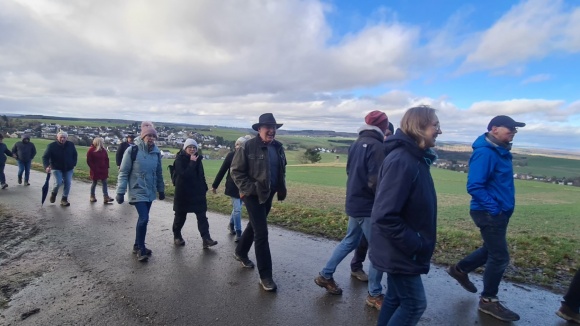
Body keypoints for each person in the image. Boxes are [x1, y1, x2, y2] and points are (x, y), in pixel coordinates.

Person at [446, 115, 525, 322]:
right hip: (488, 212)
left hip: (498, 211)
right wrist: (495, 209)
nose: (513, 132)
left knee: (491, 249)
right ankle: (488, 300)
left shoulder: (499, 151)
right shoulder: (486, 153)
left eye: (515, 129)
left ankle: (460, 269)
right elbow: (474, 185)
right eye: (510, 129)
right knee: (500, 256)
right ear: (494, 129)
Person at [369, 106, 440, 326]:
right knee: (414, 305)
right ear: (419, 127)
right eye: (435, 125)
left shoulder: (415, 158)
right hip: (401, 250)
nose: (439, 130)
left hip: (399, 248)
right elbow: (385, 215)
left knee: (395, 297)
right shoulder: (403, 161)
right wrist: (416, 243)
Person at [315, 110, 389, 310]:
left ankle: (326, 274)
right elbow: (377, 181)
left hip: (354, 202)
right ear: (383, 126)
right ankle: (375, 294)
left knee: (349, 241)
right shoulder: (378, 146)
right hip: (368, 206)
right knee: (378, 250)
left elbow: (350, 171)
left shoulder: (356, 144)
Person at [230, 113, 287, 292]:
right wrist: (250, 189)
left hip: (268, 194)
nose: (271, 131)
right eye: (268, 127)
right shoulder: (247, 147)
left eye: (274, 127)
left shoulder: (278, 147)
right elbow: (236, 171)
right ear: (259, 129)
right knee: (261, 233)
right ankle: (266, 276)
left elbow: (280, 170)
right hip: (253, 195)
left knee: (254, 226)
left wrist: (281, 187)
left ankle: (240, 252)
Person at [350, 121, 395, 282]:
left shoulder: (389, 150)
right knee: (373, 243)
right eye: (384, 133)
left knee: (355, 239)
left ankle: (328, 273)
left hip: (371, 201)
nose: (385, 137)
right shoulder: (375, 148)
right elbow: (373, 179)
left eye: (389, 134)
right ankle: (373, 287)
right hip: (370, 201)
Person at [116, 122, 165, 262]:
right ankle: (141, 249)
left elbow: (159, 173)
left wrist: (161, 190)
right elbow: (124, 172)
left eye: (153, 136)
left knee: (143, 219)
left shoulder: (156, 152)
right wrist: (120, 192)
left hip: (149, 191)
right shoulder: (132, 151)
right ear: (143, 136)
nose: (151, 138)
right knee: (144, 218)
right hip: (137, 189)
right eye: (148, 135)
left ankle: (137, 245)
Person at [172, 138, 218, 248]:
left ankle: (206, 239)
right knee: (180, 217)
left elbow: (201, 175)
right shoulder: (179, 159)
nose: (192, 149)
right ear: (185, 148)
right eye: (190, 147)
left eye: (194, 147)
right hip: (183, 193)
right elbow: (183, 175)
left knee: (202, 216)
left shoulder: (198, 159)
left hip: (197, 193)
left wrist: (204, 188)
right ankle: (177, 236)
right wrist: (192, 162)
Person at [211, 135, 251, 242]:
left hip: (244, 187)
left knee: (237, 208)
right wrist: (215, 185)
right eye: (237, 144)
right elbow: (222, 170)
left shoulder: (249, 157)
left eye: (241, 145)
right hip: (232, 187)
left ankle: (231, 225)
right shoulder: (231, 155)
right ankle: (239, 233)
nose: (238, 146)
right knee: (238, 209)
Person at [42, 131, 78, 206]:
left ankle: (64, 199)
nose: (62, 139)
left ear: (66, 138)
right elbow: (45, 157)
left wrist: (73, 163)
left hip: (68, 168)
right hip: (56, 167)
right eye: (61, 137)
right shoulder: (51, 146)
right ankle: (54, 193)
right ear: (57, 138)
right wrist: (46, 166)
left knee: (68, 183)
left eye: (64, 137)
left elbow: (75, 155)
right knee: (58, 183)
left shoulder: (70, 145)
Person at [87, 137, 114, 204]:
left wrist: (107, 167)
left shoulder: (104, 150)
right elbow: (89, 161)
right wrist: (94, 168)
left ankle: (106, 197)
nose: (103, 143)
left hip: (103, 170)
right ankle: (92, 196)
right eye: (102, 142)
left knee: (104, 183)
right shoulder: (91, 150)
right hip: (95, 170)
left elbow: (106, 159)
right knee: (94, 183)